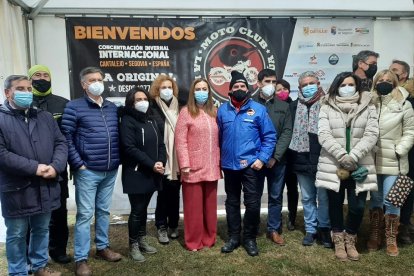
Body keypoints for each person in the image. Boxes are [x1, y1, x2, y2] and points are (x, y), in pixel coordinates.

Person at [0, 75, 67, 276]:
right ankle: (18, 272)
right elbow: (2, 154)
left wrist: (56, 166)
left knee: (41, 229)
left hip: (46, 184)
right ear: (7, 92)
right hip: (16, 187)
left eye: (29, 89)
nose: (27, 93)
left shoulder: (44, 117)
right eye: (20, 88)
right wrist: (35, 168)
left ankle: (39, 267)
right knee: (17, 233)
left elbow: (61, 143)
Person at [62, 67, 122, 276]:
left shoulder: (111, 107)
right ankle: (81, 259)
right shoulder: (74, 107)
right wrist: (79, 164)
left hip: (110, 169)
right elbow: (66, 138)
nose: (97, 82)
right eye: (92, 80)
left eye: (100, 79)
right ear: (83, 84)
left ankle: (103, 248)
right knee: (85, 215)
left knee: (104, 211)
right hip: (87, 171)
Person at [316, 72, 379, 261]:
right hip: (334, 165)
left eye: (351, 84)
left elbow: (372, 133)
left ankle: (350, 238)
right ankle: (338, 241)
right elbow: (323, 134)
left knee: (358, 206)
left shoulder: (368, 106)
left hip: (360, 165)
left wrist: (354, 156)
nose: (347, 88)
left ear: (357, 86)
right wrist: (343, 156)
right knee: (335, 205)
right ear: (336, 87)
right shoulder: (326, 106)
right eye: (343, 85)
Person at [218, 71, 276, 257]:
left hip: (252, 166)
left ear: (248, 89)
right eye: (236, 86)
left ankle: (249, 238)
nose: (240, 89)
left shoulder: (258, 110)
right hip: (229, 165)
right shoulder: (222, 110)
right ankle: (234, 237)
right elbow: (219, 138)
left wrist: (262, 158)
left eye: (243, 86)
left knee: (252, 204)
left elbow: (269, 136)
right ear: (230, 90)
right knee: (232, 202)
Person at [367, 69, 414, 257]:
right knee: (376, 200)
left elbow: (410, 131)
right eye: (380, 80)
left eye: (388, 80)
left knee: (391, 199)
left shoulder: (404, 104)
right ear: (375, 83)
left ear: (394, 83)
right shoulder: (369, 102)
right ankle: (375, 234)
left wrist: (400, 149)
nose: (383, 83)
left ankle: (391, 237)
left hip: (393, 160)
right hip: (371, 159)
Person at [28, 65, 71, 264]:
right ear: (29, 79)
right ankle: (32, 254)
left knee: (59, 211)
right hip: (29, 169)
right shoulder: (24, 104)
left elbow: (68, 138)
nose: (42, 78)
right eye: (38, 74)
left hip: (58, 168)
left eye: (46, 74)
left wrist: (59, 165)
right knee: (31, 213)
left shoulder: (63, 104)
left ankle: (58, 250)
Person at [119, 87, 166, 262]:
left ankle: (142, 239)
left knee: (145, 209)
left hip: (153, 171)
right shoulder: (127, 120)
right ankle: (133, 246)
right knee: (137, 210)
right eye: (138, 99)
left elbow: (161, 144)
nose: (142, 102)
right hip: (137, 173)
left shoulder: (152, 120)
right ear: (131, 102)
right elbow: (129, 148)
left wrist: (161, 162)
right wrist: (152, 164)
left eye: (144, 98)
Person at [175, 78, 222, 251]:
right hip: (192, 168)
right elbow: (180, 142)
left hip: (211, 166)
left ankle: (209, 238)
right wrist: (184, 164)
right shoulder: (186, 112)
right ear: (193, 93)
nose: (201, 91)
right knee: (193, 209)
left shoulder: (214, 112)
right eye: (198, 88)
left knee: (210, 208)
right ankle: (193, 241)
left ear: (209, 92)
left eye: (204, 89)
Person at [288, 71, 332, 247]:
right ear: (299, 87)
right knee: (307, 197)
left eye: (311, 83)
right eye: (304, 85)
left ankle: (324, 229)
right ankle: (311, 229)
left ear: (318, 83)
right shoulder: (293, 106)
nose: (308, 87)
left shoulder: (328, 103)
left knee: (324, 197)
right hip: (300, 158)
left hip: (323, 157)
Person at [255, 69, 292, 245]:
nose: (271, 85)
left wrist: (274, 156)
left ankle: (274, 229)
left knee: (276, 196)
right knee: (253, 196)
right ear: (258, 83)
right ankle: (252, 226)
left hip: (278, 161)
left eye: (273, 82)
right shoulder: (250, 104)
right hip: (256, 161)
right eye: (267, 81)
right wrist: (261, 157)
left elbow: (286, 132)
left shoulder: (284, 107)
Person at [149, 74, 181, 245]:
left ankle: (174, 225)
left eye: (169, 87)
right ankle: (161, 225)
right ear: (157, 89)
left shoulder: (180, 106)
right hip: (162, 157)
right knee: (163, 194)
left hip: (178, 158)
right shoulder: (152, 108)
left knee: (175, 193)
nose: (167, 90)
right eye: (163, 87)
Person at [276, 78, 299, 231]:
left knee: (292, 188)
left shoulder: (296, 106)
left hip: (293, 156)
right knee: (276, 190)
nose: (282, 92)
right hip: (278, 156)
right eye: (279, 89)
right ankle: (276, 218)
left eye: (285, 89)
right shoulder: (271, 107)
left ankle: (292, 217)